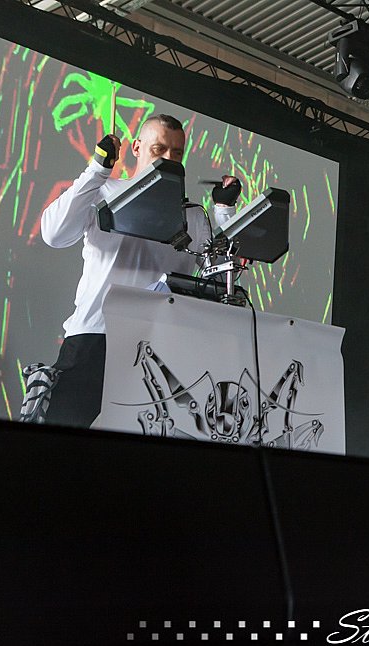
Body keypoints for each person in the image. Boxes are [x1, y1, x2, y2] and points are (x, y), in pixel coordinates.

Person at [39, 114, 241, 427]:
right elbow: (54, 234)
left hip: (161, 346)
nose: (168, 159)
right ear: (136, 147)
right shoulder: (104, 191)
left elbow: (219, 280)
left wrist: (225, 212)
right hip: (96, 334)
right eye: (159, 149)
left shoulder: (192, 216)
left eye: (176, 153)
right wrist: (98, 169)